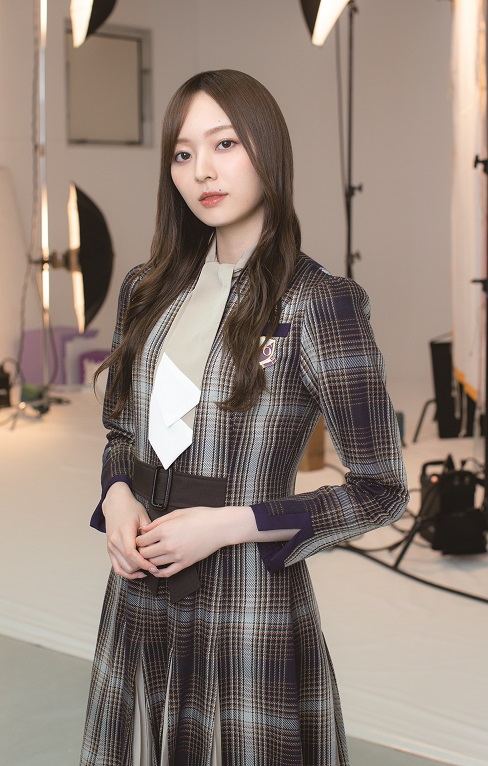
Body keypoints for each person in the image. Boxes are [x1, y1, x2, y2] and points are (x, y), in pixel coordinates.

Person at [81, 69, 408, 766]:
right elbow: (120, 433)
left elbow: (381, 490)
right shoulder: (145, 288)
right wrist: (117, 497)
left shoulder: (319, 302)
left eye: (224, 144)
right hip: (140, 586)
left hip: (247, 600)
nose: (202, 170)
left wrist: (229, 524)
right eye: (183, 152)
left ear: (267, 149)